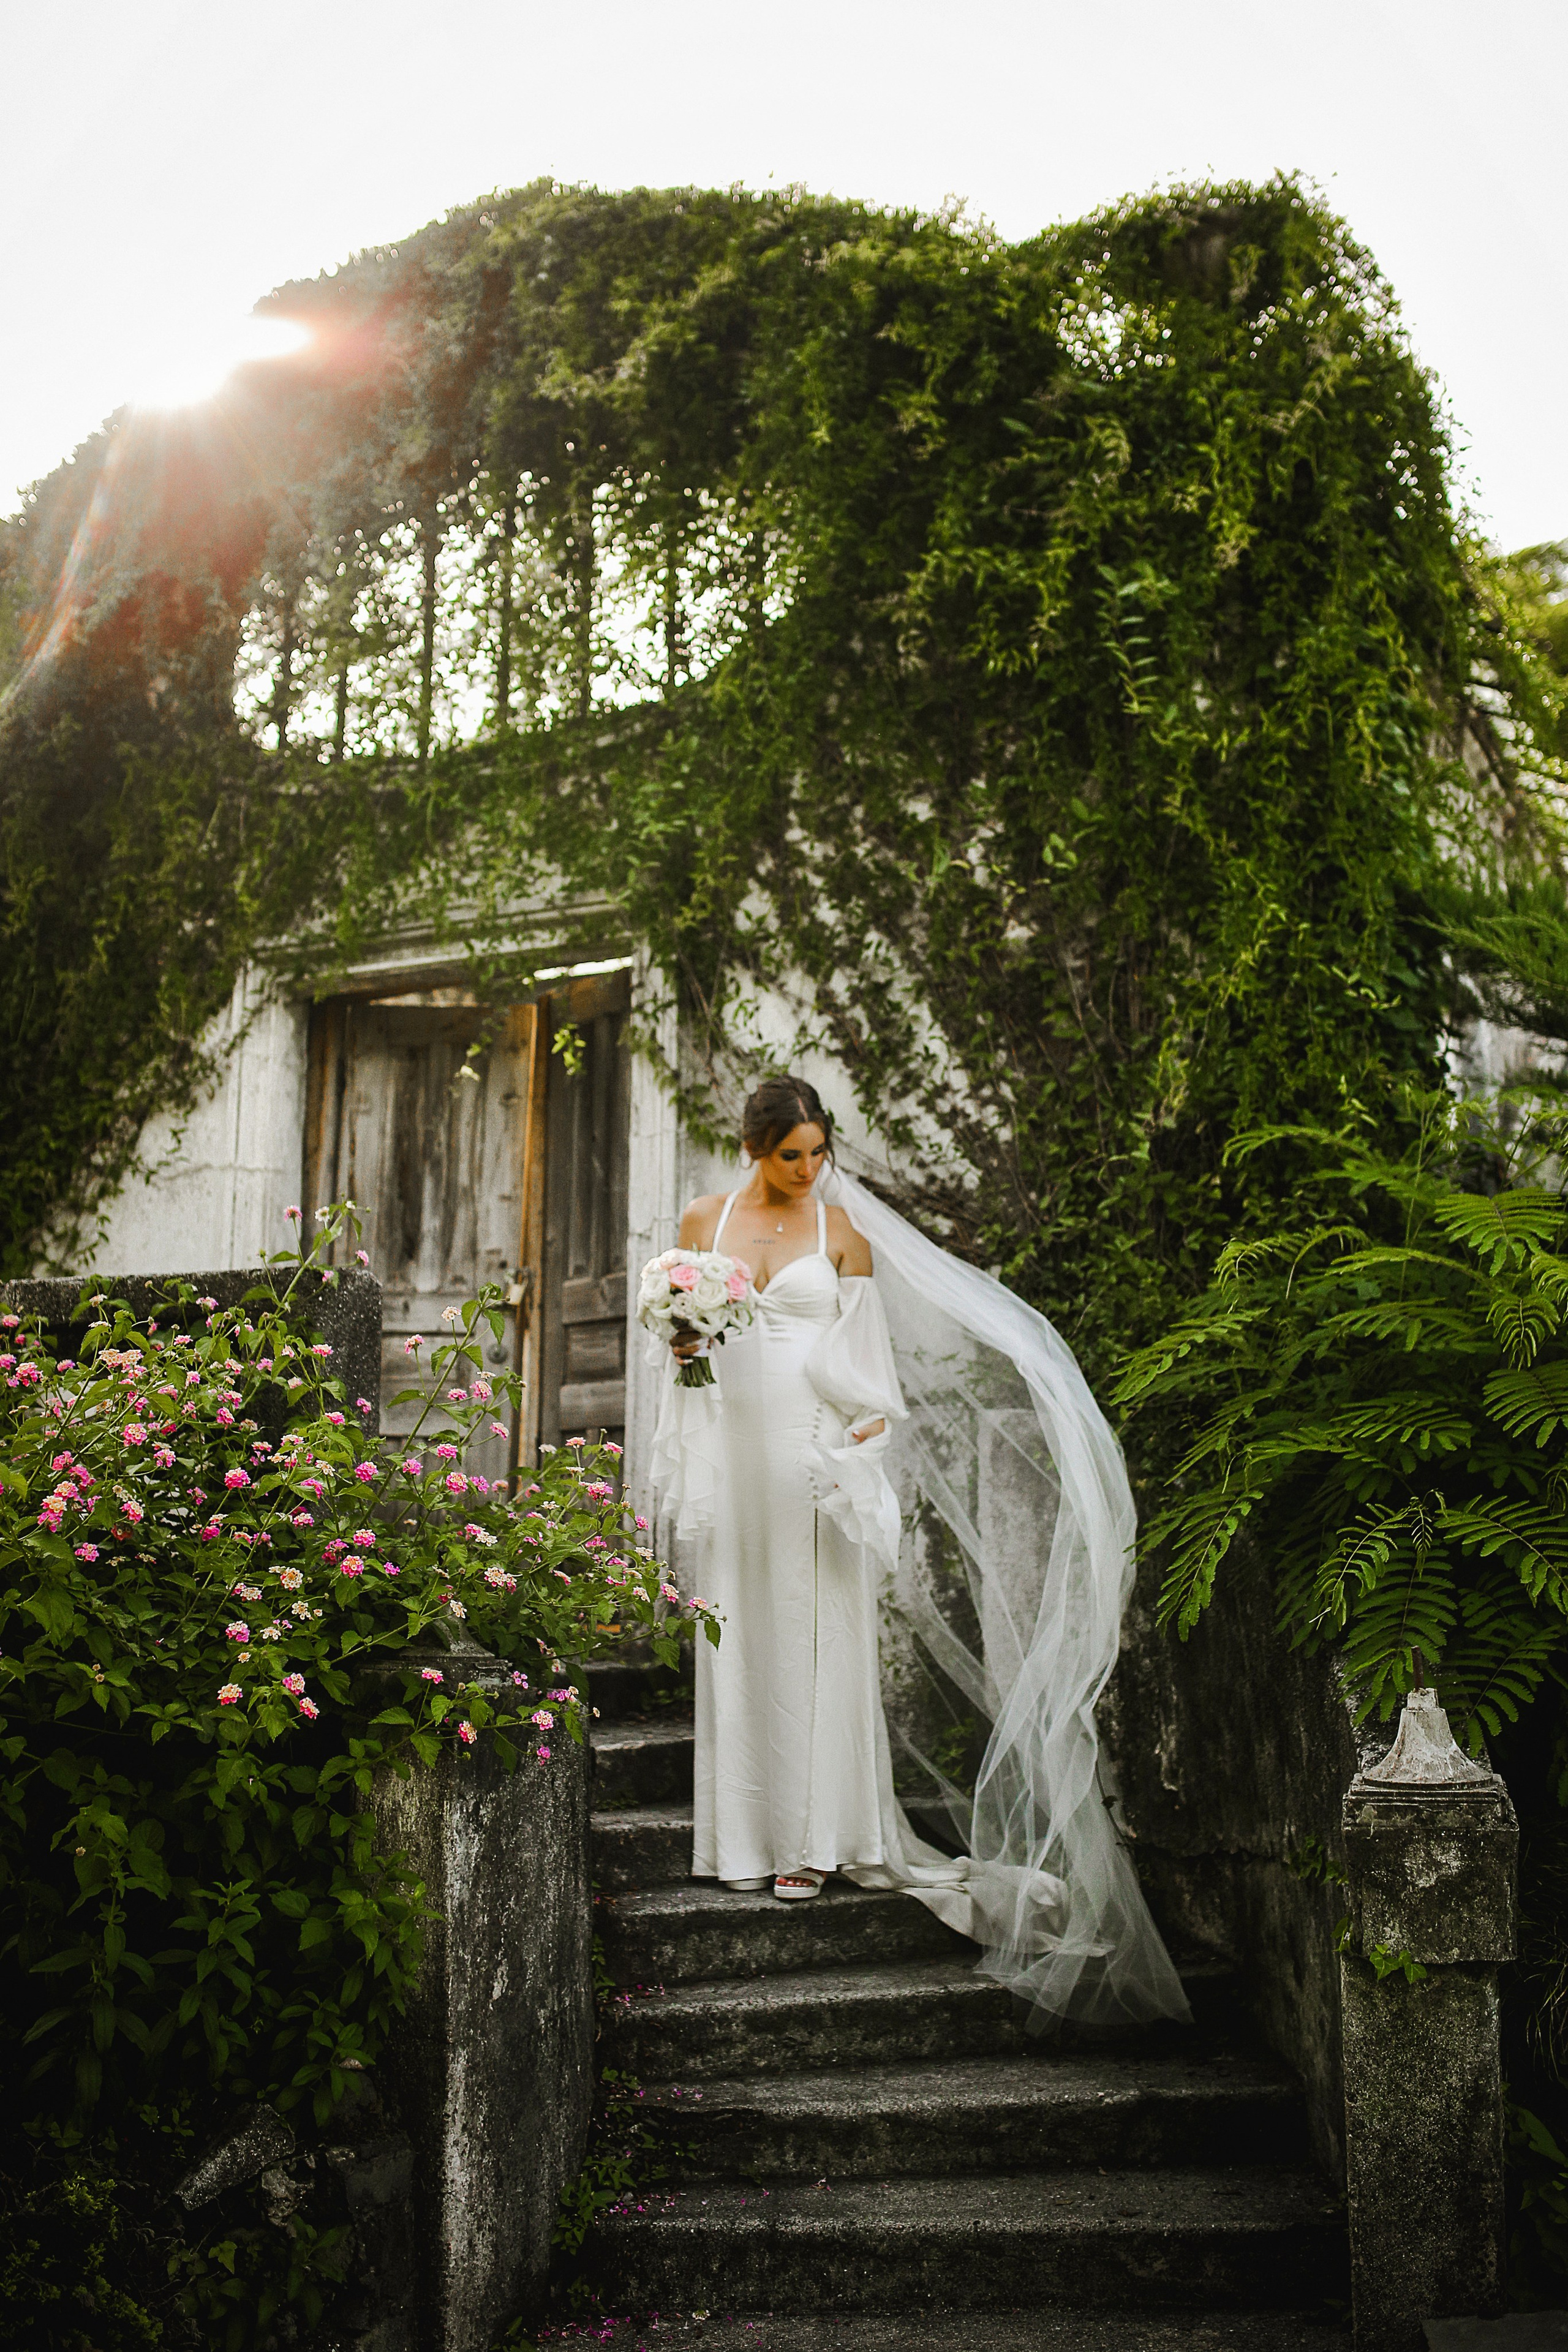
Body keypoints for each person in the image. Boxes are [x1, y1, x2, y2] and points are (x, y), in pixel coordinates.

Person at [648, 1074, 1189, 2024]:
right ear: (754, 1148)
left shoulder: (841, 1236)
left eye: (821, 1153)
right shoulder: (703, 1219)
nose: (812, 1171)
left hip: (814, 1460)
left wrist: (862, 1444)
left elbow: (870, 1378)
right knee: (742, 1633)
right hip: (732, 1455)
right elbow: (679, 1348)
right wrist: (683, 1345)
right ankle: (740, 1839)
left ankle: (819, 1842)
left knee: (817, 1642)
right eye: (792, 1156)